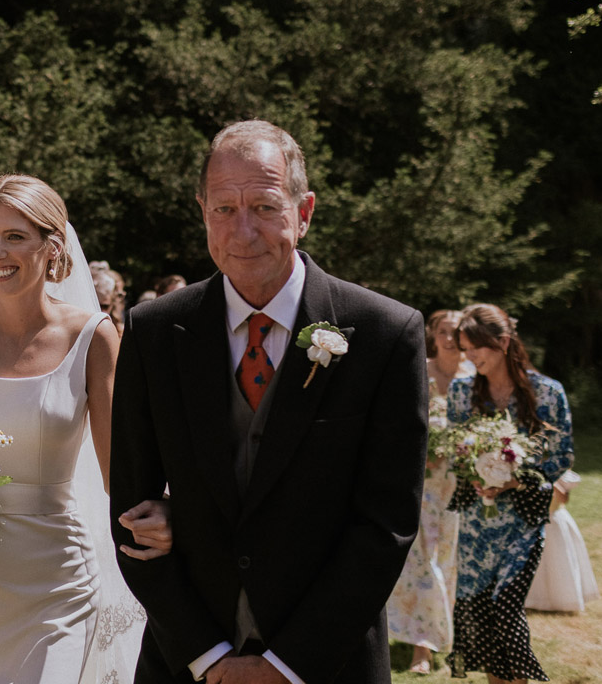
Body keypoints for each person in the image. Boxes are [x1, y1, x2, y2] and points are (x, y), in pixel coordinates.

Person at [110, 119, 429, 684]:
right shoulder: (154, 331)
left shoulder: (384, 333)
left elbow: (386, 525)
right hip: (186, 662)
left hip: (329, 663)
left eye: (264, 206)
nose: (243, 231)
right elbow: (130, 517)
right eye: (223, 209)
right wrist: (206, 655)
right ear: (203, 212)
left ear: (303, 213)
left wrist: (287, 664)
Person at [0, 174, 172, 684]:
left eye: (15, 236)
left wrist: (163, 513)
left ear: (52, 246)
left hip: (58, 583)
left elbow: (120, 470)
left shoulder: (92, 337)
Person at [448, 303, 573, 683]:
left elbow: (563, 455)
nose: (469, 357)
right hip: (476, 523)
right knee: (482, 616)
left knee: (506, 605)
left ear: (503, 342)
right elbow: (456, 450)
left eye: (476, 348)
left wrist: (517, 479)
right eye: (464, 349)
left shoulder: (548, 393)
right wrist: (472, 472)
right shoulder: (461, 391)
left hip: (522, 520)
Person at [387, 309, 466, 673]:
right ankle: (422, 647)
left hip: (463, 489)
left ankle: (445, 633)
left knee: (448, 562)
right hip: (421, 486)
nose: (452, 339)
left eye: (459, 332)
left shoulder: (474, 377)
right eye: (445, 332)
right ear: (433, 335)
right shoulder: (421, 370)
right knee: (422, 562)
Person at [525, 470, 599, 612]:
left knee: (559, 561)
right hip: (533, 521)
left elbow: (563, 498)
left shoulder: (558, 473)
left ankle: (563, 600)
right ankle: (534, 600)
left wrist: (550, 479)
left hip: (555, 521)